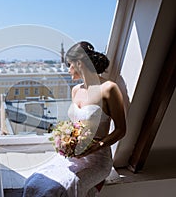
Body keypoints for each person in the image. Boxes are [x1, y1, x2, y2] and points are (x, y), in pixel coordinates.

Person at [23, 41, 126, 197]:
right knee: (33, 183)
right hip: (72, 157)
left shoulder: (109, 88)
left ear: (79, 63)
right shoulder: (76, 90)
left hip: (97, 160)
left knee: (58, 189)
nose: (69, 70)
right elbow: (75, 126)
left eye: (69, 65)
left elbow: (121, 130)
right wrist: (66, 141)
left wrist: (97, 146)